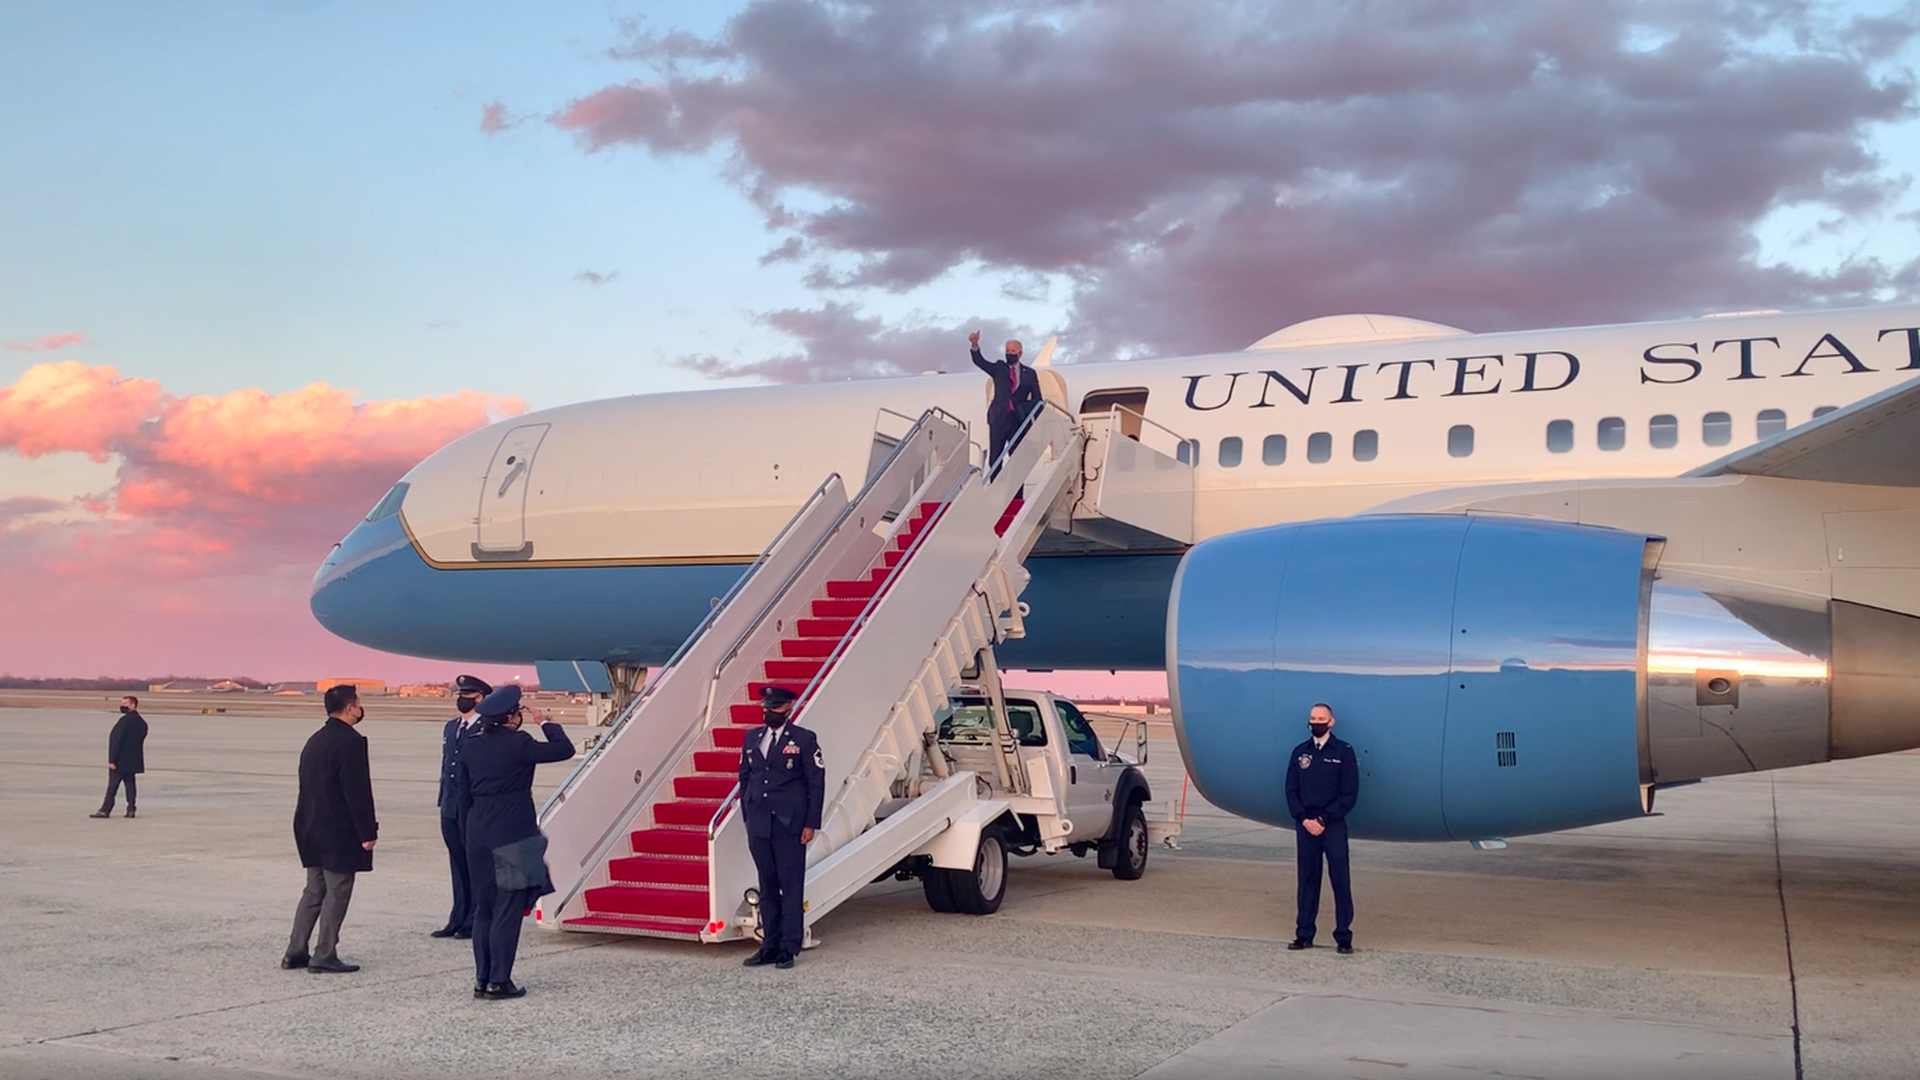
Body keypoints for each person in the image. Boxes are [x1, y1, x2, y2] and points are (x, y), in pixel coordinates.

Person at [455, 684, 574, 1000]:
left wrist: (470, 835)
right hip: (512, 837)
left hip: (477, 834)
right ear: (511, 717)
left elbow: (463, 797)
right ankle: (500, 981)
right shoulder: (519, 743)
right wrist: (547, 723)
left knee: (484, 909)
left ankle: (482, 978)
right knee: (507, 910)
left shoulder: (470, 745)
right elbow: (564, 750)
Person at [285, 685, 379, 974]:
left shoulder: (315, 740)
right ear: (350, 708)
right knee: (337, 892)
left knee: (314, 890)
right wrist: (367, 832)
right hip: (338, 830)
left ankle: (295, 950)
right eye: (358, 703)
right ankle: (324, 953)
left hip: (309, 825)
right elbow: (357, 791)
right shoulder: (350, 741)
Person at [739, 685, 825, 970]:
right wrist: (747, 815)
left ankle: (789, 947)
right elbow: (745, 777)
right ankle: (769, 945)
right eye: (766, 707)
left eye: (774, 708)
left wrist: (811, 823)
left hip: (789, 823)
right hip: (760, 822)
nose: (768, 712)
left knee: (790, 886)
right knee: (767, 885)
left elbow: (815, 782)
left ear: (788, 708)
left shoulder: (803, 739)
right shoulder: (753, 738)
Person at [1285, 702, 1360, 954]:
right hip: (1306, 826)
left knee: (1340, 880)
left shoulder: (1344, 752)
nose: (1316, 722)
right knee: (1307, 880)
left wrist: (1324, 820)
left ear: (1331, 722)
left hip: (1333, 825)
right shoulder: (1300, 752)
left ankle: (1343, 937)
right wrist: (1304, 819)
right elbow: (1291, 791)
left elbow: (1349, 794)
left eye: (1321, 718)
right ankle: (1304, 933)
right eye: (1313, 718)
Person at [431, 674, 493, 940]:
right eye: (459, 694)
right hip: (449, 805)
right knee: (457, 863)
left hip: (472, 807)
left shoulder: (487, 728)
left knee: (474, 864)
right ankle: (457, 917)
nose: (460, 699)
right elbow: (448, 767)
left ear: (479, 697)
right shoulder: (451, 727)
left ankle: (474, 918)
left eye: (465, 695)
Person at [969, 330, 1043, 477]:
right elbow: (980, 362)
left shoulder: (1029, 373)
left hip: (1017, 420)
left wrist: (1025, 411)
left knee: (1018, 458)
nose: (1009, 353)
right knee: (995, 458)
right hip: (998, 419)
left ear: (1020, 353)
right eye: (1007, 351)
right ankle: (995, 489)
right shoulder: (999, 368)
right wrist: (975, 345)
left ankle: (1017, 494)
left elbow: (1038, 399)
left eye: (1013, 351)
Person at [90, 696, 148, 819]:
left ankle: (105, 810)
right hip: (133, 760)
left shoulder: (124, 721)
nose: (122, 706)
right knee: (130, 785)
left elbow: (115, 740)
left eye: (125, 703)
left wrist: (112, 759)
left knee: (113, 786)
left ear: (133, 705)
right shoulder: (142, 723)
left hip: (120, 760)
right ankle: (131, 809)